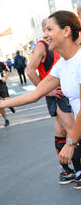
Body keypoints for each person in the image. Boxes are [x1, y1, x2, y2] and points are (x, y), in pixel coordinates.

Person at [0, 10, 81, 190]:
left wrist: (71, 142)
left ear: (66, 31)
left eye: (49, 29)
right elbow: (35, 94)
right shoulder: (62, 64)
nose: (45, 34)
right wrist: (1, 103)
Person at [26, 18, 76, 184]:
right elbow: (30, 71)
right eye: (46, 29)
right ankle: (75, 171)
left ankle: (66, 171)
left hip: (63, 91)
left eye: (50, 29)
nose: (47, 33)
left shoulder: (62, 48)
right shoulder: (42, 45)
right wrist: (45, 89)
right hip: (57, 94)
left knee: (61, 131)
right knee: (71, 131)